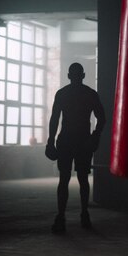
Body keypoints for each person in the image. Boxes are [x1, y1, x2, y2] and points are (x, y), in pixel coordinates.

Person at [46, 63, 105, 233]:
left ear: (68, 75)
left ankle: (61, 216)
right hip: (83, 141)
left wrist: (51, 141)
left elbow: (55, 119)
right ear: (83, 75)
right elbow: (102, 118)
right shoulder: (90, 94)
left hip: (65, 141)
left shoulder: (62, 94)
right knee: (83, 180)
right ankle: (84, 214)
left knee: (63, 179)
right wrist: (95, 137)